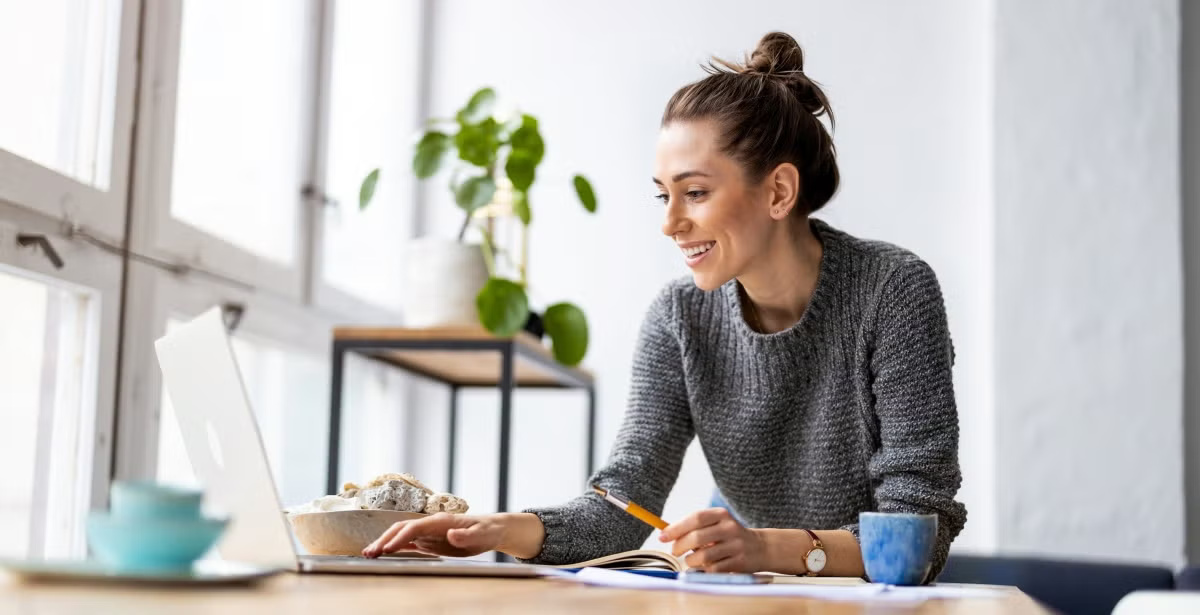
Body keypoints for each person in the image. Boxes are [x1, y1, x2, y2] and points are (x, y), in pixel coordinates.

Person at [363, 31, 966, 580]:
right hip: (752, 596)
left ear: (778, 191)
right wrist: (501, 530)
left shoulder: (894, 291)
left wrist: (762, 548)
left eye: (695, 193)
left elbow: (917, 536)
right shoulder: (679, 317)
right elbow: (625, 504)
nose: (672, 224)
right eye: (664, 197)